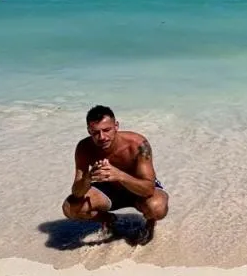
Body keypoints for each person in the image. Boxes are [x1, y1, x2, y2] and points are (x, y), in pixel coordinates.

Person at [62, 105, 169, 245]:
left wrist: (119, 175)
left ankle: (150, 222)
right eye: (95, 132)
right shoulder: (84, 148)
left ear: (116, 126)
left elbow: (148, 188)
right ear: (89, 131)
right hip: (109, 190)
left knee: (157, 208)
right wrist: (87, 178)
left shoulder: (138, 144)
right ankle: (109, 220)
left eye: (107, 130)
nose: (102, 137)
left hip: (138, 189)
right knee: (71, 208)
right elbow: (76, 192)